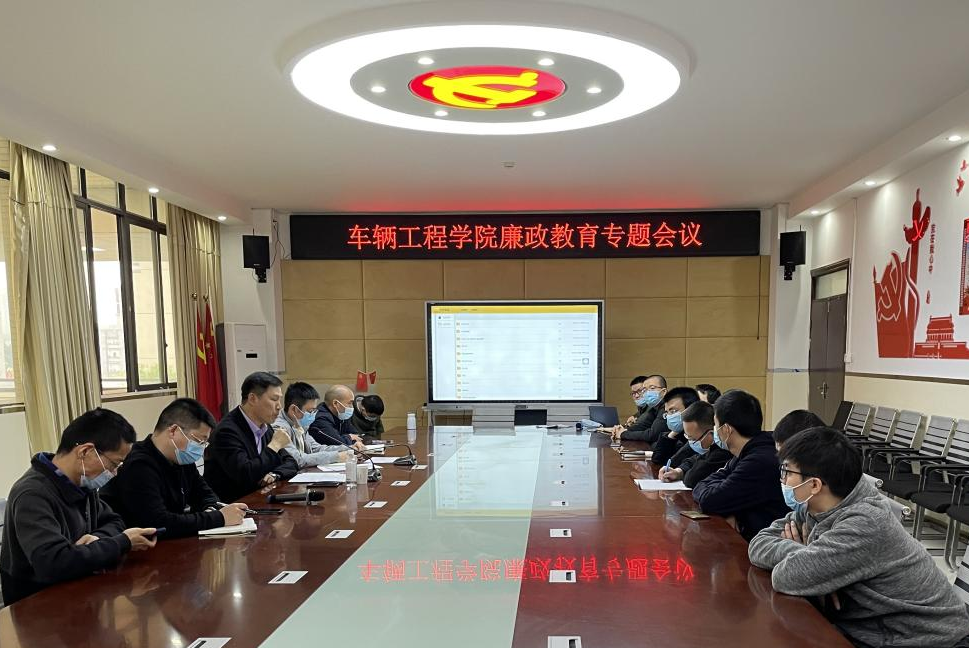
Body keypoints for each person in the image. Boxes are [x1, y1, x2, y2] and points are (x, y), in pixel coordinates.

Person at [749, 427, 969, 648]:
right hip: (874, 630)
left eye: (787, 472)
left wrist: (813, 561)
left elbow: (786, 576)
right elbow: (758, 544)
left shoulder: (864, 522)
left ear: (814, 485)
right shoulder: (813, 507)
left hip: (929, 640)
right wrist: (811, 556)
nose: (783, 479)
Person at [0, 408, 157, 605]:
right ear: (85, 452)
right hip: (38, 606)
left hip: (80, 592)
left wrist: (98, 539)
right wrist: (122, 542)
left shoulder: (81, 483)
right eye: (114, 464)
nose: (114, 473)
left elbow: (114, 521)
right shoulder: (32, 494)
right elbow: (53, 563)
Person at [101, 398, 249, 538]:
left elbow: (205, 494)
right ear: (173, 431)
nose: (201, 448)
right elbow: (157, 522)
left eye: (205, 442)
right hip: (137, 548)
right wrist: (218, 518)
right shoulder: (138, 465)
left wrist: (211, 509)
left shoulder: (181, 458)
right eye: (199, 440)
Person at [772, 408, 909, 522]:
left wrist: (800, 544)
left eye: (788, 466)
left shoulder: (859, 518)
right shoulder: (813, 505)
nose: (783, 479)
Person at [692, 389, 789, 541]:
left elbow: (709, 501)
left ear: (726, 429)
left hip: (765, 543)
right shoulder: (747, 451)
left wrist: (728, 507)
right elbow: (704, 484)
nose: (714, 430)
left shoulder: (759, 461)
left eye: (715, 424)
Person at [204, 372, 299, 502]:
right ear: (252, 399)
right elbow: (246, 475)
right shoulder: (227, 432)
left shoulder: (265, 427)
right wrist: (274, 446)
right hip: (233, 505)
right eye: (274, 399)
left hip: (260, 500)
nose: (279, 406)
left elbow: (291, 463)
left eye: (279, 400)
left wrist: (275, 474)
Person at [658, 401, 733, 488]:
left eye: (692, 438)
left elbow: (691, 479)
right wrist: (678, 471)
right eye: (687, 437)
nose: (691, 442)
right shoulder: (708, 445)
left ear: (711, 434)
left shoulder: (722, 452)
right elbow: (694, 459)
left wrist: (682, 473)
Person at [274, 382, 348, 468]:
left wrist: (348, 448)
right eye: (310, 411)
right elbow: (297, 460)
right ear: (294, 409)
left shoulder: (300, 423)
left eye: (314, 411)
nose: (313, 415)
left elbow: (316, 449)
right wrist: (336, 457)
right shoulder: (279, 428)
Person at [647, 387, 700, 467]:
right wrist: (672, 434)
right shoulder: (678, 432)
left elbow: (674, 462)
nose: (669, 416)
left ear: (691, 410)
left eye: (673, 411)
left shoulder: (698, 436)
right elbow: (657, 459)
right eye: (667, 412)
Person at [610, 374, 669, 444]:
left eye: (652, 388)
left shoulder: (668, 407)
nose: (647, 392)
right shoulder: (654, 407)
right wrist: (623, 430)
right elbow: (641, 426)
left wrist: (623, 434)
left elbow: (653, 435)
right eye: (645, 390)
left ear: (664, 392)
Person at [309, 384, 365, 451]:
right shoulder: (320, 419)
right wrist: (349, 437)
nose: (352, 407)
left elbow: (356, 436)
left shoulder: (341, 414)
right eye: (349, 403)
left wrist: (354, 441)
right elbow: (338, 443)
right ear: (335, 403)